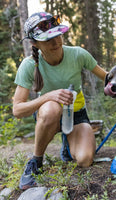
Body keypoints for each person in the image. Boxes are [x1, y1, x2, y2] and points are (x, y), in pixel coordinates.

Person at [13, 12, 107, 190]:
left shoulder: (78, 54)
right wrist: (48, 96)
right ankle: (36, 161)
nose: (56, 42)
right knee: (51, 108)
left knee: (85, 159)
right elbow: (17, 109)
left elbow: (107, 78)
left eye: (57, 35)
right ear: (35, 43)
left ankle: (67, 143)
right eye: (48, 39)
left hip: (77, 114)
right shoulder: (29, 65)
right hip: (49, 116)